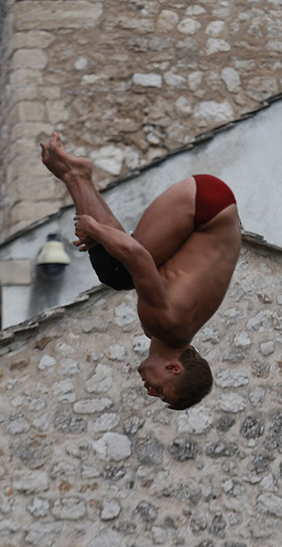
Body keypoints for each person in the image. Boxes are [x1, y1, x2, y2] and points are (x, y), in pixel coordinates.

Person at [40, 132, 242, 410]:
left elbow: (134, 253)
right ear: (173, 369)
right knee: (118, 270)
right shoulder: (164, 325)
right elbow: (137, 257)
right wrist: (94, 230)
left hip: (213, 208)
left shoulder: (171, 331)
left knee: (119, 269)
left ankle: (75, 175)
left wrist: (101, 233)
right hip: (205, 208)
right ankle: (76, 175)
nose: (150, 393)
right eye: (162, 392)